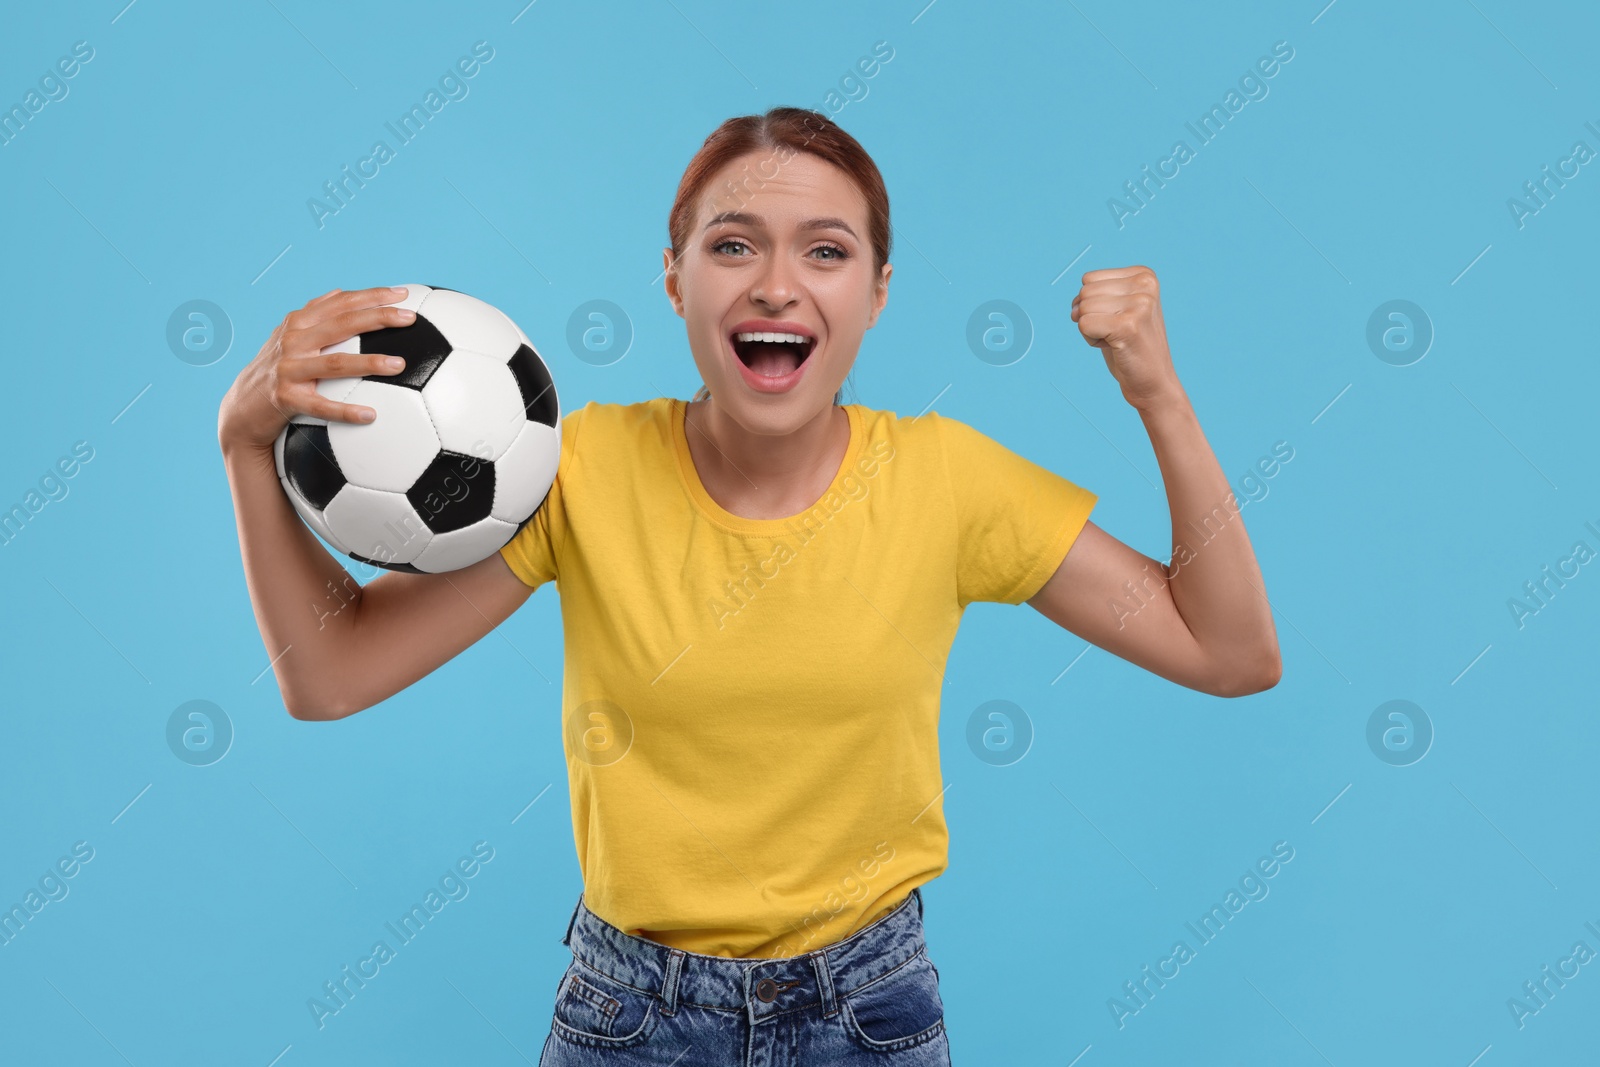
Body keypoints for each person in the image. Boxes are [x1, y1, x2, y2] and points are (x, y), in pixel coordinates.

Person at [217, 106, 1280, 1065]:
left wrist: (1159, 396)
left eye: (826, 251)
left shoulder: (948, 481)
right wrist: (241, 444)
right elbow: (332, 672)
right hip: (628, 1015)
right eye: (733, 246)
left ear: (874, 294)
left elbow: (1227, 651)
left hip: (868, 1012)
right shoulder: (578, 470)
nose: (777, 284)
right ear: (675, 278)